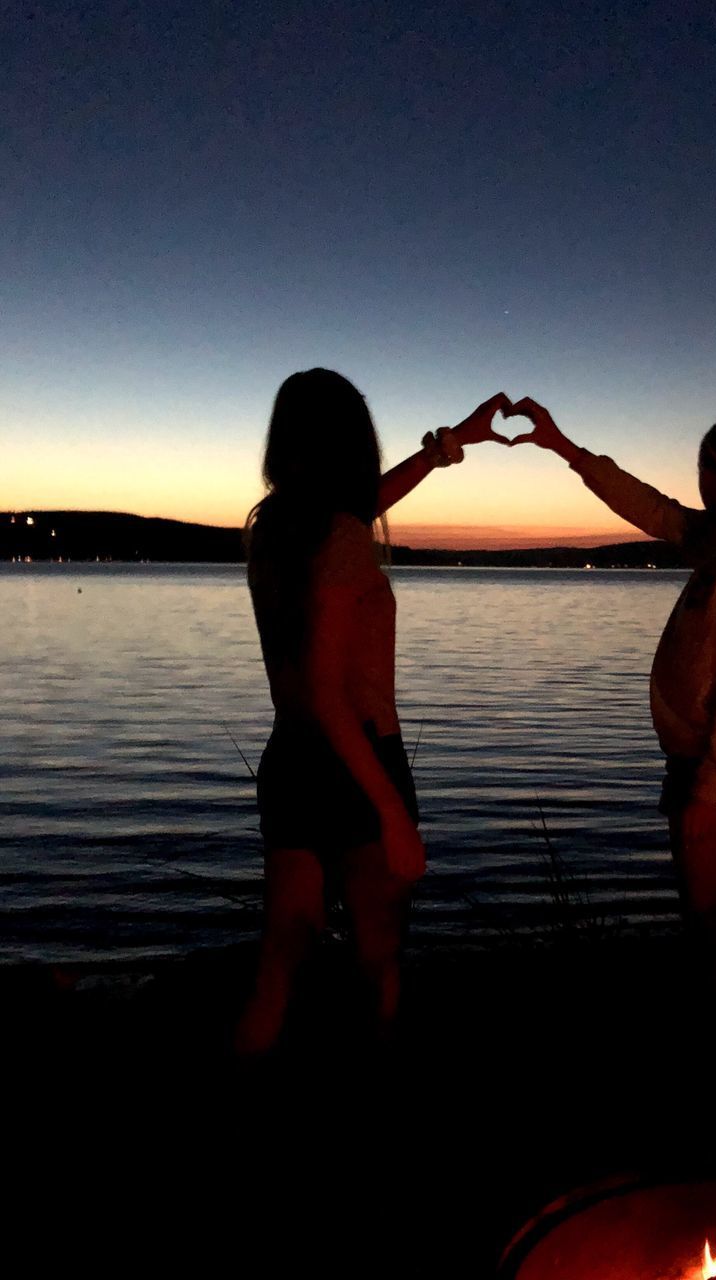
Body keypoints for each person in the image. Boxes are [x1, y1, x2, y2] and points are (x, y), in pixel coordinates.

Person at [235, 370, 511, 1055]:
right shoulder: (343, 540)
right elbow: (331, 693)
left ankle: (239, 1089)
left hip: (292, 759)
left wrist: (451, 445)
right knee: (378, 958)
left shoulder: (272, 530)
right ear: (348, 440)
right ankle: (375, 1101)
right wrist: (392, 814)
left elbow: (364, 507)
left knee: (280, 960)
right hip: (356, 760)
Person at [507, 399, 716, 1007]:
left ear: (714, 473)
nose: (696, 482)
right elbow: (647, 507)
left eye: (701, 469)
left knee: (709, 917)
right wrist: (563, 446)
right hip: (713, 762)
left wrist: (709, 787)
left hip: (713, 766)